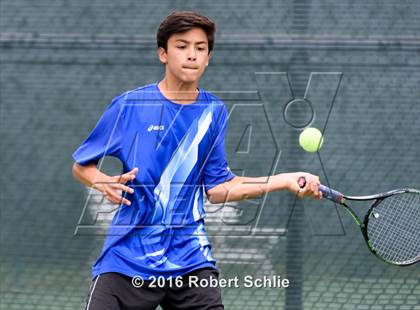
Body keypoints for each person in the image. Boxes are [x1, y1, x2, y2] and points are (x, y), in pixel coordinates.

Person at [72, 10, 322, 310]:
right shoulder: (130, 106)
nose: (192, 55)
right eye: (182, 46)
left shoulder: (213, 112)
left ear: (208, 57)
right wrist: (102, 181)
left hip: (190, 261)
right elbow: (81, 165)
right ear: (163, 54)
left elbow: (218, 189)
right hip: (126, 261)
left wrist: (284, 179)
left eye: (200, 48)